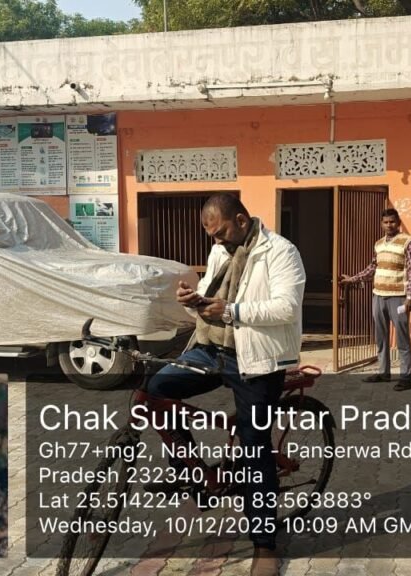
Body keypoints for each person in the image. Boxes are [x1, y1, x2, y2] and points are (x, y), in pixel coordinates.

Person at [147, 192, 305, 576]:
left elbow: (286, 307)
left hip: (257, 361)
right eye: (211, 236)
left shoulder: (281, 251)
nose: (216, 241)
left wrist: (232, 311)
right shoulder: (220, 250)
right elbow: (210, 298)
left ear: (241, 220)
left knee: (255, 449)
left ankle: (264, 545)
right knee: (157, 390)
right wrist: (193, 301)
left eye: (220, 233)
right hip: (210, 350)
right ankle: (191, 472)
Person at [339, 208, 411, 390]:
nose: (389, 225)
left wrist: (410, 297)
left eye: (392, 222)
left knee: (402, 338)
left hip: (398, 297)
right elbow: (372, 268)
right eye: (386, 222)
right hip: (378, 295)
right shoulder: (378, 244)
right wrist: (352, 279)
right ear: (381, 224)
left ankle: (405, 377)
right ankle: (384, 373)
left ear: (398, 223)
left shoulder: (408, 242)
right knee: (381, 337)